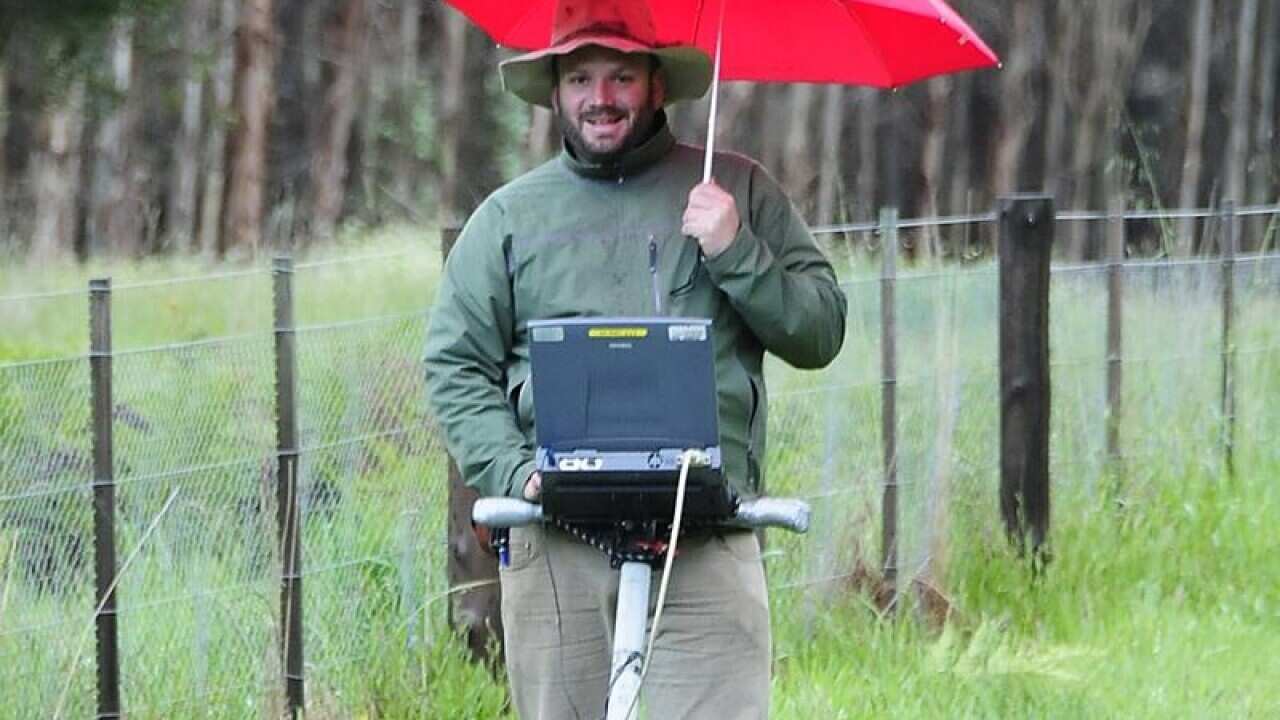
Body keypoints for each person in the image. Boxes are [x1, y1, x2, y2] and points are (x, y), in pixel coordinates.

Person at [424, 1, 847, 717]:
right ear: (555, 90)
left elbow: (820, 331)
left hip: (707, 537)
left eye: (621, 76)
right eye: (581, 77)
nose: (600, 98)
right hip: (557, 543)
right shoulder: (507, 218)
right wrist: (512, 472)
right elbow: (454, 364)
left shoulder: (735, 190)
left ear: (656, 85)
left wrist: (736, 252)